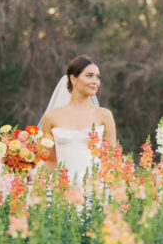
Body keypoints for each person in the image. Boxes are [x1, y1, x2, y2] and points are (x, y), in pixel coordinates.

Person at [39, 56, 117, 184]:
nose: (95, 81)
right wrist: (36, 182)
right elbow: (51, 161)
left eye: (98, 77)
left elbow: (111, 158)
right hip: (62, 188)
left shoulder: (105, 115)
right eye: (89, 76)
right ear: (73, 79)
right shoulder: (51, 117)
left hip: (95, 189)